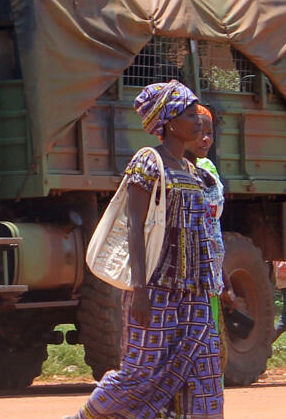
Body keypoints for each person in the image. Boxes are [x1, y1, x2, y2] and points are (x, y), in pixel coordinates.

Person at [67, 80, 224, 419]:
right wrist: (139, 289)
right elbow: (134, 227)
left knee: (203, 372)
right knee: (141, 372)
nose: (197, 120)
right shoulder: (149, 162)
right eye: (188, 114)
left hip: (194, 292)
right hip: (157, 288)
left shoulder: (192, 170)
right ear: (169, 121)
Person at [184, 104, 234, 367]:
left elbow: (213, 227)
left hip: (210, 278)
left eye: (209, 133)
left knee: (214, 353)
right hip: (185, 280)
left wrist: (223, 278)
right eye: (198, 132)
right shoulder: (171, 170)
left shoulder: (208, 169)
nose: (205, 139)